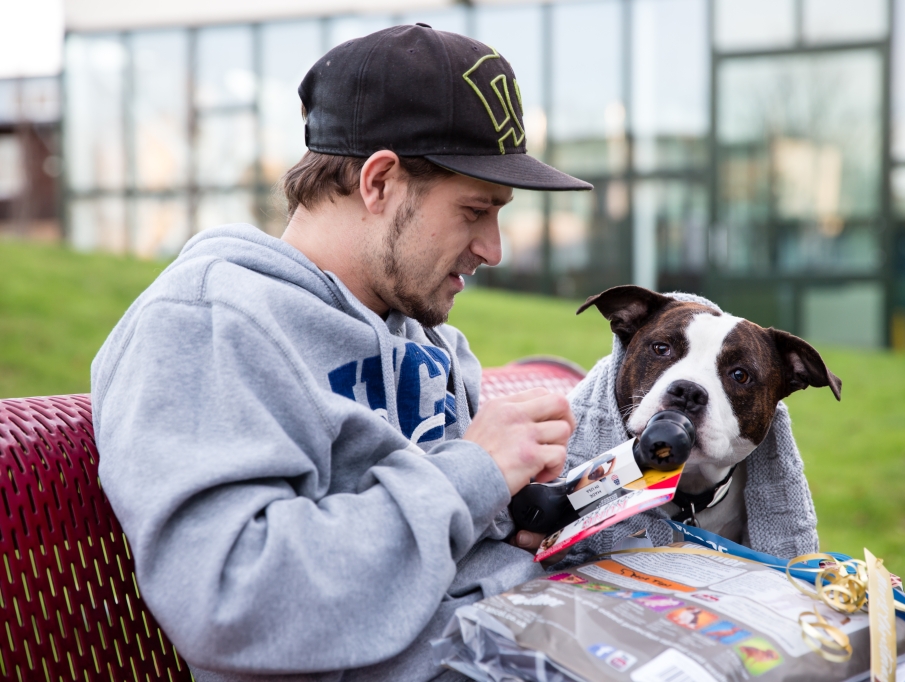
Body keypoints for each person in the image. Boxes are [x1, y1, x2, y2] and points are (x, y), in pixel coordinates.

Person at [91, 25, 591, 682]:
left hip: (518, 641)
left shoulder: (427, 334)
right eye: (475, 210)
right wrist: (471, 475)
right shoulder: (209, 324)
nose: (492, 248)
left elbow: (455, 523)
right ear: (379, 181)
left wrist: (517, 514)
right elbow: (235, 604)